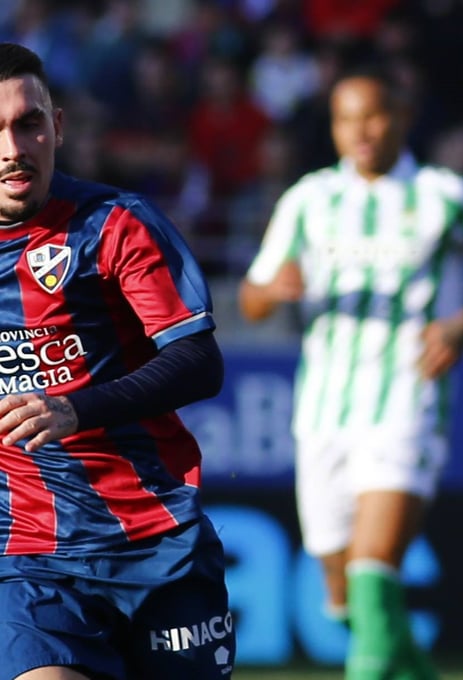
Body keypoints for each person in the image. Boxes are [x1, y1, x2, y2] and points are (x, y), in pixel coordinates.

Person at [239, 66, 463, 679]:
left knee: (372, 563)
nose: (360, 131)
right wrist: (272, 290)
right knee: (345, 597)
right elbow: (252, 296)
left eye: (373, 116)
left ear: (402, 118)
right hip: (323, 412)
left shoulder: (445, 196)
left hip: (407, 403)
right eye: (345, 119)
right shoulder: (309, 199)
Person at [0, 43, 235, 679]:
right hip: (30, 556)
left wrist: (75, 409)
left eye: (28, 123)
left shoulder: (114, 225)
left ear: (57, 126)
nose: (13, 148)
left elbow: (198, 360)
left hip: (159, 544)